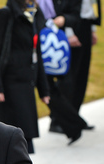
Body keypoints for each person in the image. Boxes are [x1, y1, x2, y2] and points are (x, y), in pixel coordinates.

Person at [0, 0, 50, 154]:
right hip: (8, 88)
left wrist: (43, 89)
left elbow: (36, 52)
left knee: (24, 144)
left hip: (27, 84)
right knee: (7, 143)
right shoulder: (6, 14)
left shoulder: (35, 14)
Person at [37, 0, 91, 145]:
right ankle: (71, 124)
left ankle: (72, 124)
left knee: (55, 86)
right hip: (35, 41)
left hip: (55, 46)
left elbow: (76, 15)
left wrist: (64, 20)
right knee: (44, 86)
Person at [57, 0, 101, 123]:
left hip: (85, 25)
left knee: (82, 74)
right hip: (73, 27)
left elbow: (88, 6)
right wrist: (69, 33)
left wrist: (92, 29)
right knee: (70, 76)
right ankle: (60, 120)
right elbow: (66, 8)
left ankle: (75, 116)